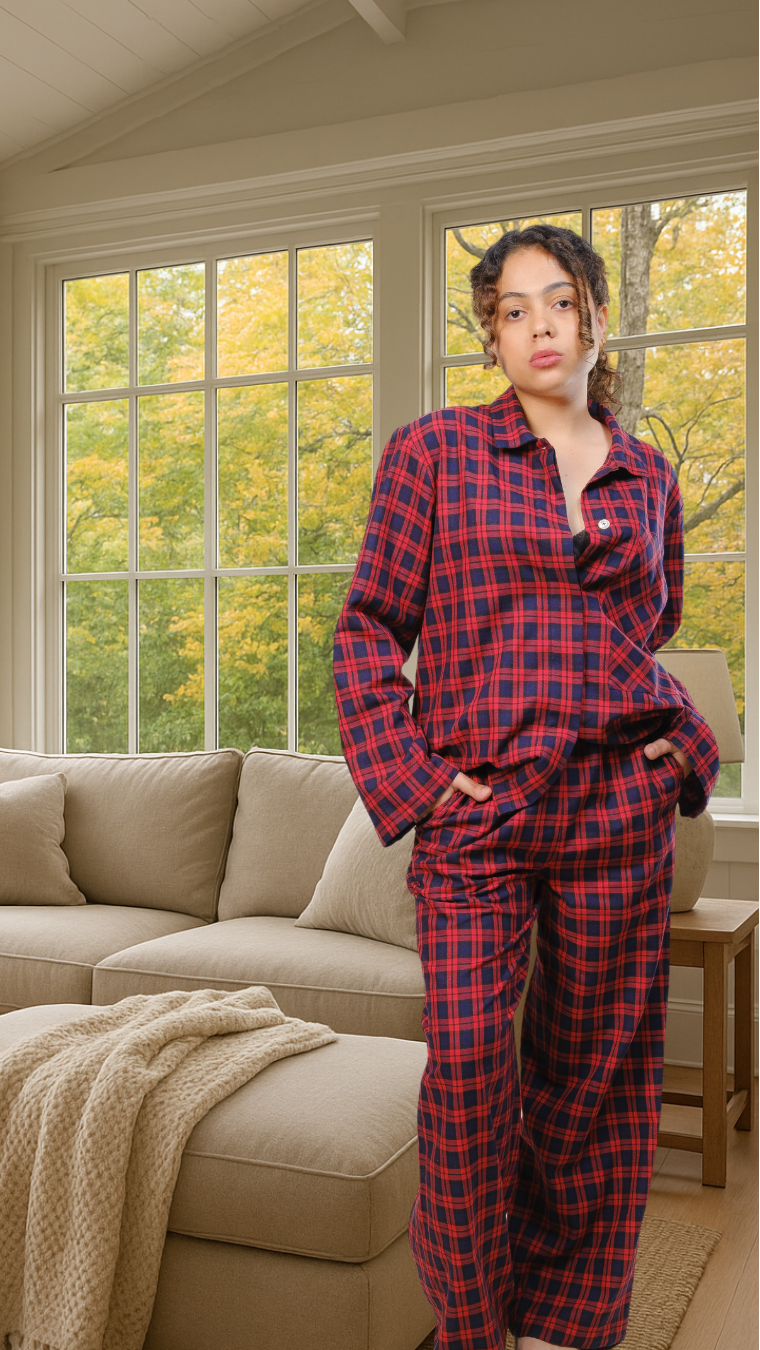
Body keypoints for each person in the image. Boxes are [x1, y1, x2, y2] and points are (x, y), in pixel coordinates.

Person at [333, 223, 719, 1350]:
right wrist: (412, 774)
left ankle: (568, 1326)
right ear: (489, 333)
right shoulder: (435, 453)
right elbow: (366, 627)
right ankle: (474, 1326)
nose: (538, 324)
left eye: (559, 302)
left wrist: (675, 748)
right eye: (511, 309)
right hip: (478, 814)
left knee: (596, 1077)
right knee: (467, 1075)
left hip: (615, 811)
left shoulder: (648, 475)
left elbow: (648, 634)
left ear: (595, 317)